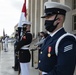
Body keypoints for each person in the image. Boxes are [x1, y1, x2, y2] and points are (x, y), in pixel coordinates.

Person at [38, 1, 76, 75]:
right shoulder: (49, 38)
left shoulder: (66, 40)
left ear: (59, 19)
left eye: (48, 17)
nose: (46, 20)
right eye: (45, 17)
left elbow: (63, 72)